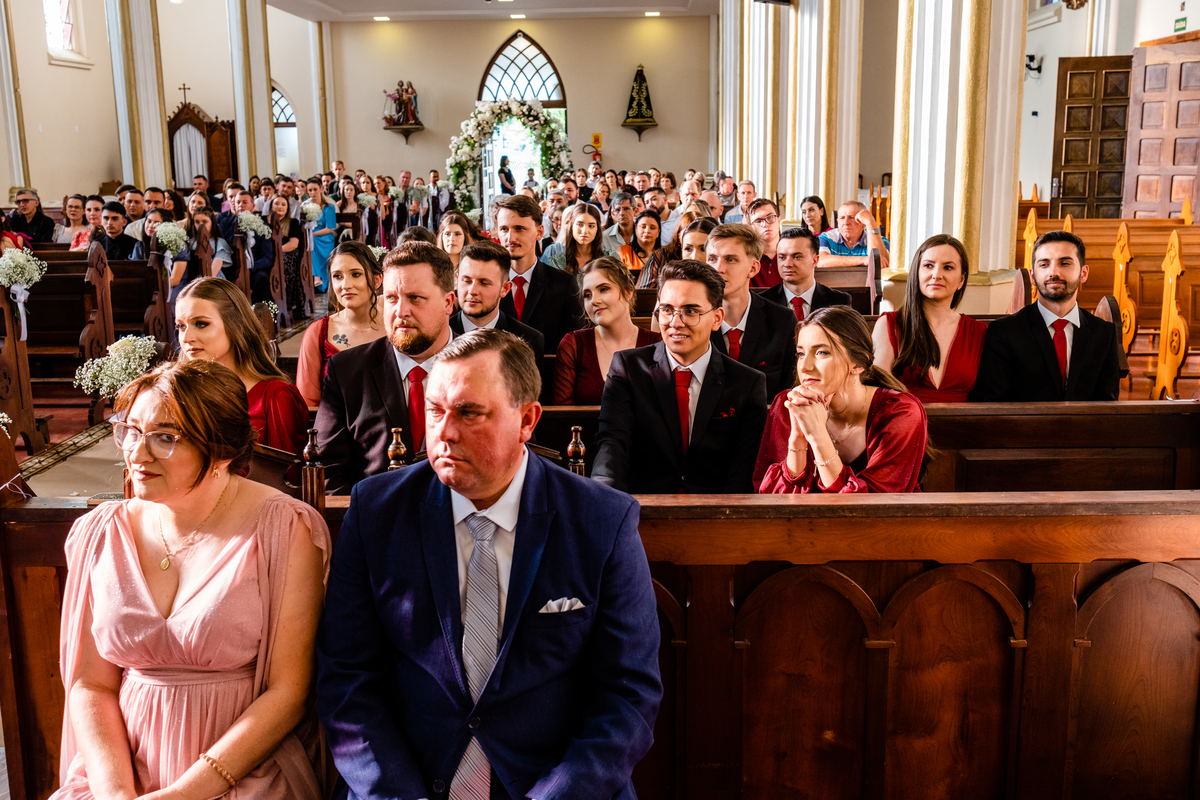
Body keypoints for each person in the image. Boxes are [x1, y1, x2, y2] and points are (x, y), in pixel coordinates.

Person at [316, 326, 662, 800]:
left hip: (557, 786)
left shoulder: (602, 519)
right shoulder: (377, 511)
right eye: (435, 410)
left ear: (527, 420)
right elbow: (347, 679)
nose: (444, 432)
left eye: (469, 412)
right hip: (406, 783)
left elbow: (628, 695)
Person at [52, 359, 331, 800]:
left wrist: (185, 793)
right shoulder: (101, 532)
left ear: (221, 449)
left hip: (243, 770)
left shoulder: (283, 527)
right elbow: (91, 683)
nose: (137, 454)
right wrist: (116, 792)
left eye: (165, 438)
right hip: (121, 768)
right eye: (130, 431)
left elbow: (289, 691)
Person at [593, 259, 767, 493]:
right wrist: (605, 500)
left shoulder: (747, 383)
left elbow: (743, 472)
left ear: (717, 318)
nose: (675, 323)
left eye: (690, 311)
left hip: (717, 510)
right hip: (641, 507)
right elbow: (612, 446)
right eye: (667, 310)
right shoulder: (628, 368)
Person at [316, 241, 457, 492]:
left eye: (415, 298)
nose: (400, 312)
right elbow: (328, 470)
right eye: (391, 298)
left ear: (448, 303)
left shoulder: (487, 368)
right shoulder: (347, 371)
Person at [754, 306, 928, 493]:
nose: (804, 367)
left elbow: (872, 504)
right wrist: (797, 441)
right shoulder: (788, 404)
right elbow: (775, 497)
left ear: (858, 364)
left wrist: (818, 435)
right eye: (801, 354)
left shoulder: (901, 411)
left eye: (822, 352)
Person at [970, 230, 1121, 402]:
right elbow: (991, 402)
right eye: (1044, 264)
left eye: (1065, 263)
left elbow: (1107, 404)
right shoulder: (1005, 332)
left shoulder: (1104, 333)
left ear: (1083, 273)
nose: (1053, 272)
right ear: (1033, 276)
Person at [176, 278, 308, 457]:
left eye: (201, 324)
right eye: (181, 326)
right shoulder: (178, 392)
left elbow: (286, 472)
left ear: (235, 325)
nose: (186, 338)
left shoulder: (275, 397)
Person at [871, 234, 986, 403]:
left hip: (966, 419)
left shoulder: (979, 332)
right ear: (917, 273)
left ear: (961, 280)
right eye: (928, 266)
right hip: (903, 417)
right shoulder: (890, 324)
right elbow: (878, 391)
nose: (936, 274)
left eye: (948, 267)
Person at [706, 223, 796, 399]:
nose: (718, 269)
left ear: (753, 268)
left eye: (730, 259)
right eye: (712, 259)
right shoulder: (695, 319)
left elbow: (789, 393)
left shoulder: (782, 320)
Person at [554, 257, 660, 405]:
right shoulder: (574, 345)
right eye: (587, 295)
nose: (594, 301)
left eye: (603, 289)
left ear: (628, 292)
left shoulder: (657, 344)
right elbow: (563, 412)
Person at [296, 241, 385, 408]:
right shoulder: (318, 333)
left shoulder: (395, 328)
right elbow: (308, 404)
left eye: (356, 274)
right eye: (337, 276)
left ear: (376, 280)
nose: (345, 285)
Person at [494, 194, 587, 353]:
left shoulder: (563, 284)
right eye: (504, 229)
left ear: (539, 232)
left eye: (519, 228)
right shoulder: (487, 283)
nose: (510, 238)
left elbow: (574, 346)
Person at [450, 240, 545, 370]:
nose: (472, 291)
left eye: (484, 283)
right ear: (457, 280)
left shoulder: (529, 340)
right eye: (466, 280)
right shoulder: (439, 335)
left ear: (505, 288)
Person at [762, 227, 851, 321]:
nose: (787, 264)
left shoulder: (839, 301)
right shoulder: (763, 301)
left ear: (815, 260)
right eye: (782, 257)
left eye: (796, 257)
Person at [818, 200, 891, 270]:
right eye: (842, 218)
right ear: (838, 222)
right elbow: (820, 261)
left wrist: (870, 222)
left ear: (863, 223)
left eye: (851, 217)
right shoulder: (826, 238)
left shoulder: (881, 241)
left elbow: (881, 264)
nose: (846, 222)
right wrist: (863, 260)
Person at [265, 195, 305, 311]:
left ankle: (283, 299)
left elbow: (293, 244)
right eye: (277, 203)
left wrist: (276, 251)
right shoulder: (263, 221)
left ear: (287, 208)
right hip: (267, 253)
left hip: (286, 252)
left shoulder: (292, 222)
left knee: (281, 261)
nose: (280, 207)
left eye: (283, 204)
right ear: (271, 206)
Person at [304, 177, 337, 291]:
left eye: (315, 189)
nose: (312, 193)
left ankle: (319, 278)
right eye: (310, 190)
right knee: (309, 242)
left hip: (324, 237)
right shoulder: (305, 206)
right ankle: (315, 277)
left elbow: (329, 229)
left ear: (321, 189)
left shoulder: (329, 207)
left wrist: (312, 234)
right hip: (310, 237)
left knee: (310, 241)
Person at [746, 198, 783, 287]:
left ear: (779, 220)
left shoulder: (793, 253)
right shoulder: (745, 257)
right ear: (751, 227)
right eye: (758, 221)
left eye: (770, 217)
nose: (765, 224)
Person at [618, 209, 661, 281]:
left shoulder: (664, 254)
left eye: (652, 228)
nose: (647, 231)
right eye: (643, 227)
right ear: (636, 229)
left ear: (658, 232)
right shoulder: (623, 252)